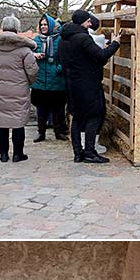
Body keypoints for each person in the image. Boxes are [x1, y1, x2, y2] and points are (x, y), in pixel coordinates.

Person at [59, 9, 120, 164]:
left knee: (77, 118)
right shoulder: (83, 38)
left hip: (71, 85)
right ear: (83, 22)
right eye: (88, 21)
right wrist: (115, 43)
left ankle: (78, 153)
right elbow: (100, 57)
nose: (90, 24)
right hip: (88, 84)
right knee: (95, 115)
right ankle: (90, 152)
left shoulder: (63, 39)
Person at [0, 14, 39, 162]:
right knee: (18, 122)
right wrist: (27, 82)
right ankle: (18, 154)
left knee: (1, 121)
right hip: (19, 89)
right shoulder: (24, 49)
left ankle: (3, 155)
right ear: (17, 28)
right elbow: (33, 70)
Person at [31, 13, 69, 143]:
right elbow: (27, 54)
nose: (43, 27)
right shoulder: (36, 40)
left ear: (51, 26)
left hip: (56, 80)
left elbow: (65, 58)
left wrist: (58, 70)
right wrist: (34, 55)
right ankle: (41, 133)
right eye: (41, 24)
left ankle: (59, 132)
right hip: (40, 81)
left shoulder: (60, 40)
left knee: (58, 109)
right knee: (41, 109)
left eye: (45, 24)